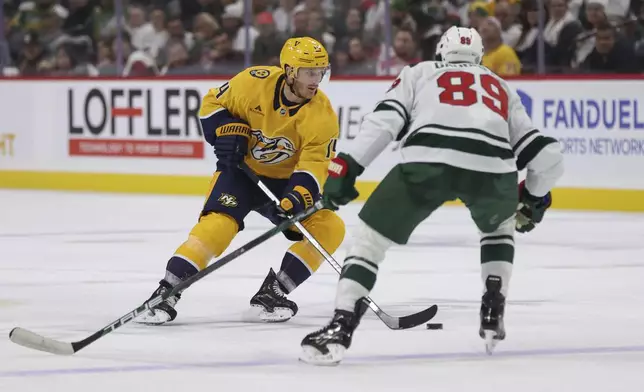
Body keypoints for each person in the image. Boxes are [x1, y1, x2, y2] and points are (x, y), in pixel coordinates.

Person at [299, 26, 564, 365]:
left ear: (441, 52)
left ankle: (341, 325)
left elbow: (383, 122)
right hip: (492, 168)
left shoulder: (419, 72)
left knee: (368, 243)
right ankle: (493, 302)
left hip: (427, 160)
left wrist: (347, 167)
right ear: (480, 57)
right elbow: (547, 155)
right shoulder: (500, 86)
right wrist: (534, 197)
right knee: (498, 230)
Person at [136, 37, 344, 325]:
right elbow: (211, 104)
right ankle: (167, 291)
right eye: (310, 72)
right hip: (240, 173)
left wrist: (295, 198)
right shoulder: (252, 83)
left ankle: (273, 292)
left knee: (329, 227)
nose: (317, 80)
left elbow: (314, 165)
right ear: (290, 71)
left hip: (284, 184)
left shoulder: (323, 116)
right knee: (217, 225)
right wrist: (225, 130)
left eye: (321, 72)